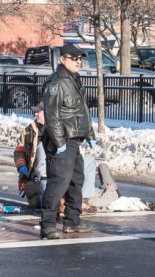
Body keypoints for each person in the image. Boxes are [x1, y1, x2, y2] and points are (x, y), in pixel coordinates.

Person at [38, 43, 96, 239]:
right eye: (74, 58)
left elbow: (82, 112)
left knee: (76, 180)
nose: (78, 61)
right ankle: (47, 225)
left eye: (80, 58)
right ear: (63, 59)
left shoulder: (74, 80)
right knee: (59, 182)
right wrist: (59, 142)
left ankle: (72, 222)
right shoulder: (57, 82)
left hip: (74, 139)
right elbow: (51, 116)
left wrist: (89, 135)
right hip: (61, 140)